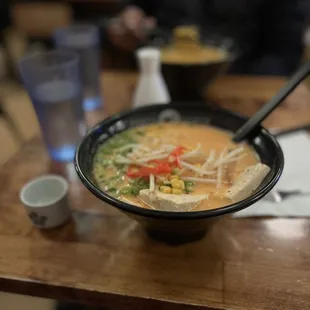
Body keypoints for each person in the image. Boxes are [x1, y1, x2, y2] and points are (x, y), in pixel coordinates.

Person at [107, 0, 309, 76]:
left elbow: (284, 52)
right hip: (161, 76)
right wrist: (131, 14)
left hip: (239, 81)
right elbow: (136, 6)